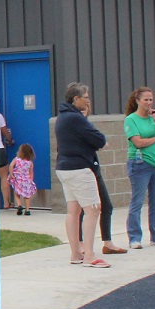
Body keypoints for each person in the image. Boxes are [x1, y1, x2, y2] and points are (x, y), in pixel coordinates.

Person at [55, 81, 109, 267]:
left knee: (73, 211)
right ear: (75, 98)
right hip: (79, 169)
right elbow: (99, 138)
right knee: (93, 209)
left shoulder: (63, 117)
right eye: (86, 98)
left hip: (65, 168)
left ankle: (76, 254)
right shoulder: (75, 118)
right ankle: (89, 256)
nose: (88, 101)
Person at [125, 86, 155, 249]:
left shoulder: (153, 119)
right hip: (140, 164)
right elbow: (138, 142)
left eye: (150, 99)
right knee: (137, 201)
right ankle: (134, 237)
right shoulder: (131, 119)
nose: (148, 102)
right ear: (137, 101)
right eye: (145, 99)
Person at [8, 143, 37, 216]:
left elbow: (11, 166)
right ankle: (27, 210)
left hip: (18, 179)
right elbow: (31, 172)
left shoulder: (17, 159)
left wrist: (11, 174)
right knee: (27, 196)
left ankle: (19, 205)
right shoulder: (30, 162)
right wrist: (31, 181)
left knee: (16, 193)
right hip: (26, 180)